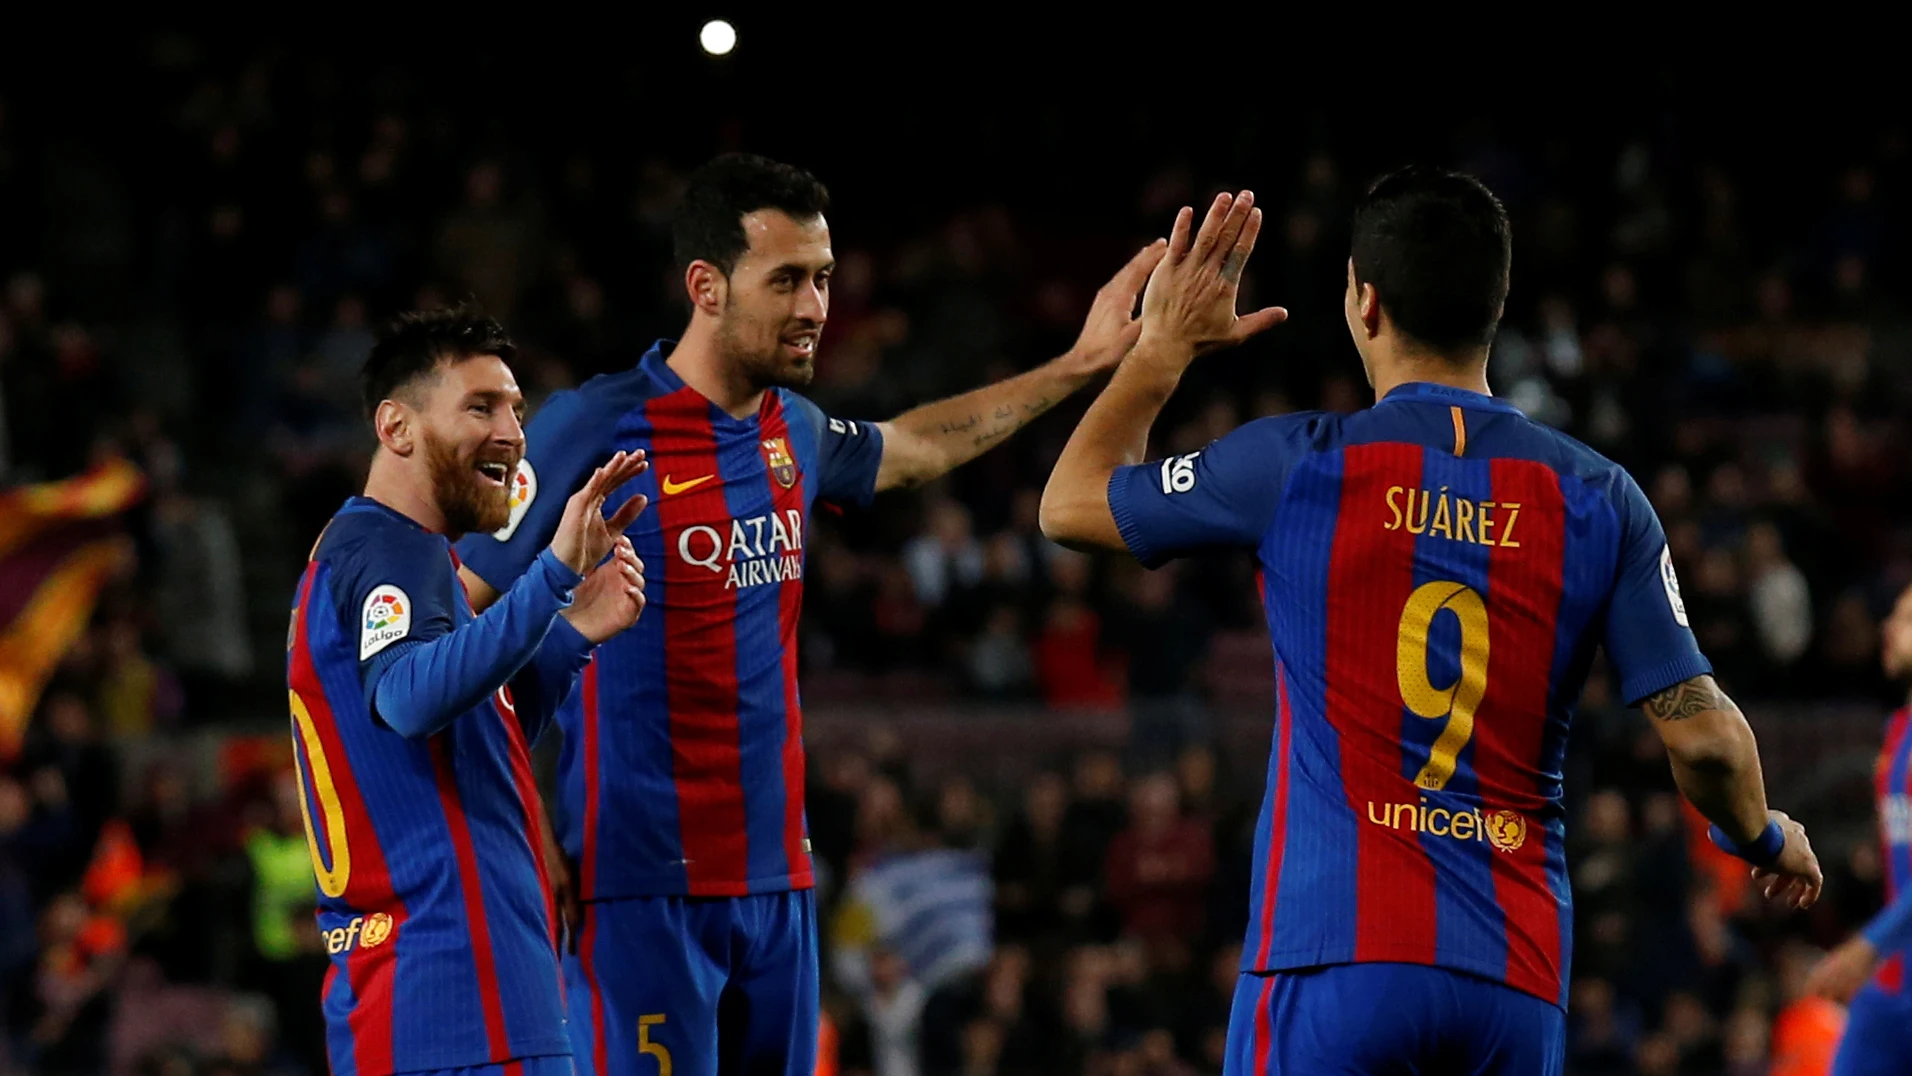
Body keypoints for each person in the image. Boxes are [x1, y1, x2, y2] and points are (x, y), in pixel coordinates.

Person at [1038, 169, 1824, 1074]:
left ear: (1364, 301)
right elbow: (1709, 743)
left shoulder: (1295, 465)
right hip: (1514, 978)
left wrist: (1162, 351)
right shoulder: (1601, 498)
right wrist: (1762, 834)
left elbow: (1069, 507)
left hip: (1334, 954)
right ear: (1496, 305)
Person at [454, 153, 1158, 1076]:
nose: (814, 307)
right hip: (636, 887)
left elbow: (910, 447)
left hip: (781, 882)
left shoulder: (796, 427)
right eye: (785, 280)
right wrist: (524, 826)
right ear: (705, 286)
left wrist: (1079, 365)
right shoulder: (592, 427)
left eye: (822, 278)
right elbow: (454, 625)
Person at [286, 306, 647, 1076]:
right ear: (398, 428)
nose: (513, 431)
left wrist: (571, 635)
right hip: (459, 999)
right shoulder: (388, 549)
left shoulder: (403, 563)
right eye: (480, 406)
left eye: (515, 407)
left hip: (439, 1002)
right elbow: (409, 702)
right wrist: (550, 574)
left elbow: (467, 744)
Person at [1806, 583, 1912, 1074]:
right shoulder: (1897, 734)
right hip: (1896, 981)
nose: (1888, 629)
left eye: (1907, 620)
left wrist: (1868, 945)